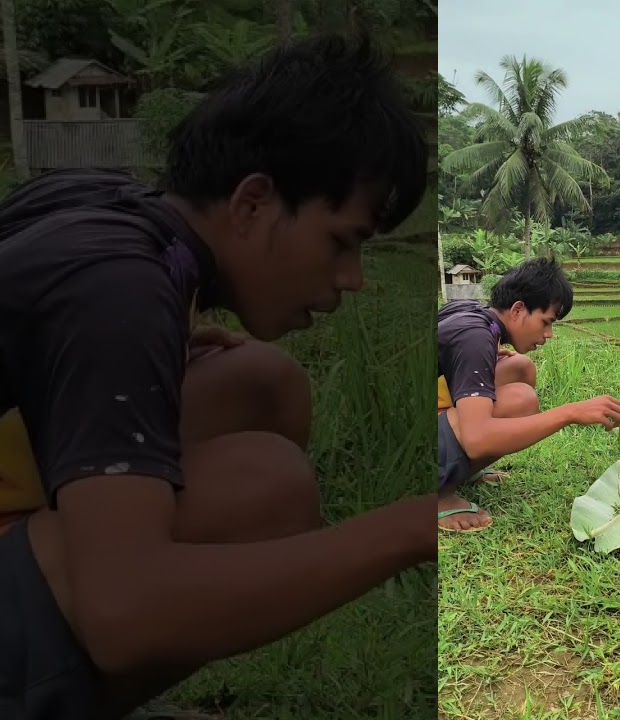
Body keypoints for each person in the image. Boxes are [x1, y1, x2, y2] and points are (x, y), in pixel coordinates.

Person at [0, 33, 434, 720]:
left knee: (261, 384)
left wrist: (160, 341)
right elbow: (124, 615)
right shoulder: (120, 292)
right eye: (341, 242)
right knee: (266, 488)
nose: (351, 280)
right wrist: (413, 529)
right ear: (253, 203)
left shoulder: (116, 214)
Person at [437, 256, 620, 532]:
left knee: (518, 368)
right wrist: (569, 413)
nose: (549, 334)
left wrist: (489, 352)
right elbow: (478, 439)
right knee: (521, 400)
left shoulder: (474, 315)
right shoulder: (475, 338)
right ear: (517, 310)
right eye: (546, 322)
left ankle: (460, 470)